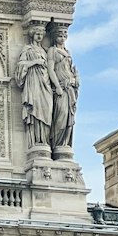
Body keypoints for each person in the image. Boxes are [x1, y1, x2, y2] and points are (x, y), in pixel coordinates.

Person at [14, 21, 52, 150]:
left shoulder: (46, 51)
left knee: (46, 110)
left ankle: (45, 141)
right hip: (33, 82)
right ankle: (37, 141)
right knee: (36, 109)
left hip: (45, 83)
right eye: (37, 33)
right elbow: (20, 66)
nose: (39, 36)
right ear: (32, 35)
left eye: (41, 34)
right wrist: (35, 62)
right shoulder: (27, 49)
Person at [46, 21, 79, 155]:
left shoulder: (67, 51)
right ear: (54, 36)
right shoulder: (52, 51)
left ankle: (64, 143)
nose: (63, 37)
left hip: (70, 88)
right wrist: (58, 86)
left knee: (69, 119)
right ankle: (58, 143)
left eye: (65, 34)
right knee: (61, 116)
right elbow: (51, 69)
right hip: (61, 89)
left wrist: (76, 79)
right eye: (60, 34)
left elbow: (71, 69)